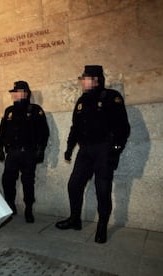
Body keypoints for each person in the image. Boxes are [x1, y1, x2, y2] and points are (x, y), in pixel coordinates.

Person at [55, 65, 130, 243]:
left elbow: (123, 127)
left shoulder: (112, 97)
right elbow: (75, 127)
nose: (82, 82)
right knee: (74, 184)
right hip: (85, 150)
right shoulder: (81, 101)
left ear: (96, 79)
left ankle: (102, 226)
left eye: (85, 78)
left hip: (104, 149)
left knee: (102, 189)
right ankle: (75, 219)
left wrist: (115, 149)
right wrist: (69, 147)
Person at [0, 81, 50, 223]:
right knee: (7, 180)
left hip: (28, 153)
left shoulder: (35, 110)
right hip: (12, 153)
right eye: (13, 92)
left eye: (17, 92)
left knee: (28, 181)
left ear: (25, 93)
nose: (14, 95)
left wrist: (40, 150)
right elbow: (1, 132)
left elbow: (44, 133)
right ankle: (10, 205)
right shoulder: (9, 111)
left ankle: (29, 209)